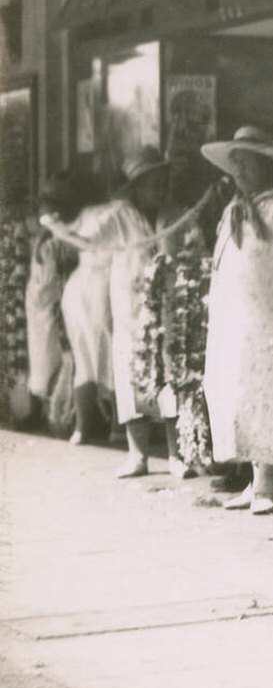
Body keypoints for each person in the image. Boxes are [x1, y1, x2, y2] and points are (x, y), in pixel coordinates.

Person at [42, 148, 198, 479]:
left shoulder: (173, 214)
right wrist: (57, 226)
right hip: (130, 311)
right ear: (137, 186)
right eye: (153, 183)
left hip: (169, 310)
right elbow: (86, 239)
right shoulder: (119, 216)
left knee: (171, 379)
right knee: (130, 379)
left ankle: (176, 455)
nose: (160, 188)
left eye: (163, 181)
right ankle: (138, 455)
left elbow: (191, 249)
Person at [201, 126, 273, 514]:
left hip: (270, 317)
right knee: (237, 392)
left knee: (268, 393)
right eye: (236, 165)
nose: (240, 172)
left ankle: (268, 484)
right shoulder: (233, 209)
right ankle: (254, 478)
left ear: (266, 165)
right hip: (235, 319)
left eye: (247, 163)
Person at [56, 178, 115, 445]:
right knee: (103, 355)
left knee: (92, 357)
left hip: (87, 286)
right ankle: (102, 425)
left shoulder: (89, 215)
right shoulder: (103, 214)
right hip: (93, 288)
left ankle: (89, 427)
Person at [25, 174, 81, 433]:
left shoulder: (49, 241)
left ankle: (52, 410)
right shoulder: (50, 242)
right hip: (46, 304)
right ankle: (52, 411)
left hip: (45, 303)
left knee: (48, 359)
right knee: (49, 358)